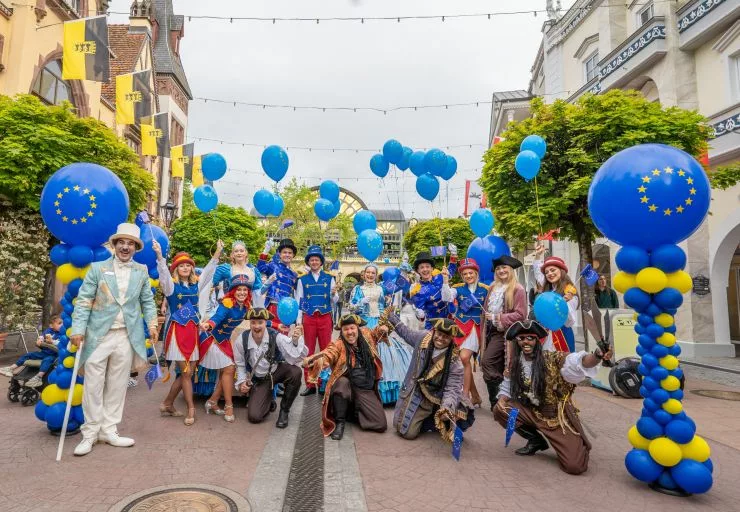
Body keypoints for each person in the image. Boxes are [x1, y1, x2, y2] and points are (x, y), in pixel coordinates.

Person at [69, 223, 158, 456]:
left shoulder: (141, 271)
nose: (125, 247)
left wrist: (152, 323)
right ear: (115, 245)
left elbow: (147, 302)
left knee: (118, 385)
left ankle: (109, 430)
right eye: (122, 243)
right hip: (98, 335)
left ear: (135, 248)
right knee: (93, 385)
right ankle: (90, 433)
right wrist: (77, 329)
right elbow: (84, 300)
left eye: (130, 244)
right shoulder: (97, 268)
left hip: (126, 336)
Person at [493, 320, 611, 474]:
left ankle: (572, 443)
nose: (526, 342)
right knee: (500, 410)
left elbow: (580, 362)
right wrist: (502, 399)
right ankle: (536, 440)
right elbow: (507, 388)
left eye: (530, 337)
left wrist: (597, 355)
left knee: (575, 466)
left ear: (537, 340)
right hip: (531, 412)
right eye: (521, 338)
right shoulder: (515, 363)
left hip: (556, 418)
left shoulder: (553, 358)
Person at [153, 240, 223, 426]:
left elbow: (208, 272)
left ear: (192, 269)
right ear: (176, 269)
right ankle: (191, 408)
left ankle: (167, 403)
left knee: (188, 372)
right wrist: (160, 256)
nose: (185, 268)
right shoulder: (171, 287)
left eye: (188, 265)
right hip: (177, 334)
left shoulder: (196, 286)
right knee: (186, 373)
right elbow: (163, 275)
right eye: (181, 265)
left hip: (193, 333)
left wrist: (217, 252)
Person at [386, 314, 472, 441]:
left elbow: (452, 389)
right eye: (439, 334)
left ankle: (437, 417)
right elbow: (405, 332)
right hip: (415, 392)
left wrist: (446, 408)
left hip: (437, 399)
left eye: (446, 337)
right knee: (404, 431)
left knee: (411, 433)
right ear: (434, 331)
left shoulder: (455, 363)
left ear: (452, 339)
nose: (440, 339)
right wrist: (391, 317)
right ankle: (429, 420)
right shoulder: (423, 338)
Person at [304, 314, 389, 441]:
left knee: (380, 424)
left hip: (365, 389)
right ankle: (340, 422)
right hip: (348, 386)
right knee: (341, 383)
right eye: (346, 329)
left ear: (358, 329)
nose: (350, 332)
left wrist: (383, 329)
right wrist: (319, 361)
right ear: (342, 332)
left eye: (352, 328)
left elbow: (377, 333)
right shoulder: (338, 344)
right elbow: (329, 353)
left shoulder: (366, 335)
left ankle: (352, 411)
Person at [351, 263, 412, 405]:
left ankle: (384, 391)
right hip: (365, 325)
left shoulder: (382, 288)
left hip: (380, 324)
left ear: (376, 275)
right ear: (364, 274)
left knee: (385, 352)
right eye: (368, 273)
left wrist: (402, 273)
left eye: (373, 273)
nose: (370, 275)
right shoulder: (357, 289)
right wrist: (360, 302)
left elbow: (396, 292)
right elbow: (351, 307)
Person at [234, 308, 307, 427]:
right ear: (250, 323)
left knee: (296, 372)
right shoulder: (241, 339)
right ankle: (268, 401)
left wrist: (295, 340)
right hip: (260, 378)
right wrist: (242, 381)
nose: (256, 326)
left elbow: (296, 355)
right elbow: (240, 364)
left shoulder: (275, 336)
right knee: (254, 416)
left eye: (260, 322)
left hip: (276, 370)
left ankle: (284, 411)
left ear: (265, 323)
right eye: (253, 322)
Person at [199, 274, 251, 423]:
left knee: (227, 371)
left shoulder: (246, 306)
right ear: (233, 291)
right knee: (229, 370)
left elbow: (257, 319)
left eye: (245, 290)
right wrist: (209, 324)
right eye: (239, 289)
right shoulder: (227, 303)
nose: (242, 292)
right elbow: (218, 317)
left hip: (224, 341)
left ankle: (213, 402)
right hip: (212, 340)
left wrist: (276, 325)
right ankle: (229, 406)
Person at [480, 255, 528, 409]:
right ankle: (502, 401)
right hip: (492, 333)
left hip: (508, 335)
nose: (501, 270)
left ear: (511, 270)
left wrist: (497, 317)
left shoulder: (518, 289)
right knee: (493, 365)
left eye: (504, 268)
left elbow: (521, 315)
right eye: (498, 268)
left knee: (489, 363)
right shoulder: (493, 288)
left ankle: (498, 402)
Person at [442, 258, 488, 407]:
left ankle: (465, 395)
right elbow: (446, 297)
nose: (468, 276)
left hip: (475, 328)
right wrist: (445, 280)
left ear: (476, 273)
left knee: (464, 358)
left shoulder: (486, 289)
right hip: (460, 327)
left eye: (471, 273)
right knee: (462, 361)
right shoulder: (458, 288)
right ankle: (474, 395)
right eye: (465, 274)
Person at [295, 245, 338, 396]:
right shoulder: (302, 280)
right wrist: (299, 320)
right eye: (312, 260)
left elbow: (334, 300)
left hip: (325, 316)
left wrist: (334, 294)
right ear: (309, 262)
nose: (314, 262)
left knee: (327, 350)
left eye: (317, 259)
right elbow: (300, 300)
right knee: (309, 350)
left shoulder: (330, 277)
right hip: (309, 317)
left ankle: (326, 382)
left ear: (321, 262)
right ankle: (311, 384)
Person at [533, 244, 579, 352]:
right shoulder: (548, 289)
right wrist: (538, 256)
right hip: (546, 334)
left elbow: (569, 321)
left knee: (564, 366)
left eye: (553, 270)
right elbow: (537, 274)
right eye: (547, 272)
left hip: (563, 335)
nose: (550, 274)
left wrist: (564, 303)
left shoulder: (569, 291)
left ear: (561, 271)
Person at [0, 315, 63, 387]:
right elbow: (42, 336)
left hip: (53, 355)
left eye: (63, 323)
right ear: (51, 326)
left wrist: (52, 341)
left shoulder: (62, 334)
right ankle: (11, 368)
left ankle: (38, 377)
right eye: (59, 323)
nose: (62, 325)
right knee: (29, 355)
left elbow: (60, 343)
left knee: (47, 360)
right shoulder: (48, 330)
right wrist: (40, 340)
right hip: (44, 353)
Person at [257, 238, 299, 333]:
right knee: (269, 338)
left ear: (293, 255)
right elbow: (260, 268)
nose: (287, 255)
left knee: (283, 339)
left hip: (286, 311)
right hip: (273, 306)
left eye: (290, 253)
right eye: (284, 252)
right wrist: (266, 250)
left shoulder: (294, 274)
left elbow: (299, 292)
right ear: (279, 254)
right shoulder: (273, 266)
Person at [409, 247, 458, 329]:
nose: (425, 269)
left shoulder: (440, 276)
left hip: (450, 320)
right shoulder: (418, 291)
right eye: (422, 267)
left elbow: (451, 270)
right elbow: (421, 317)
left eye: (427, 266)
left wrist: (453, 254)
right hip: (433, 326)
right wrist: (418, 312)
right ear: (418, 271)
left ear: (432, 268)